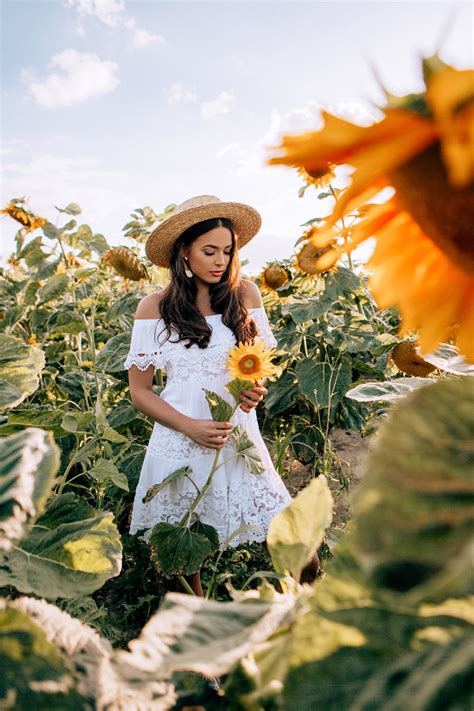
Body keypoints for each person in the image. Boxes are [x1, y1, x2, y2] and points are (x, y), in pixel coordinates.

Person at [124, 194, 292, 595]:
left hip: (238, 442)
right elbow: (139, 392)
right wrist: (190, 427)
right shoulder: (154, 308)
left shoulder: (246, 295)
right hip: (180, 442)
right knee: (186, 563)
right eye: (209, 251)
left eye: (228, 251)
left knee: (294, 540)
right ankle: (196, 647)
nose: (221, 261)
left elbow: (256, 365)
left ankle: (307, 623)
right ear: (185, 252)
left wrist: (254, 390)